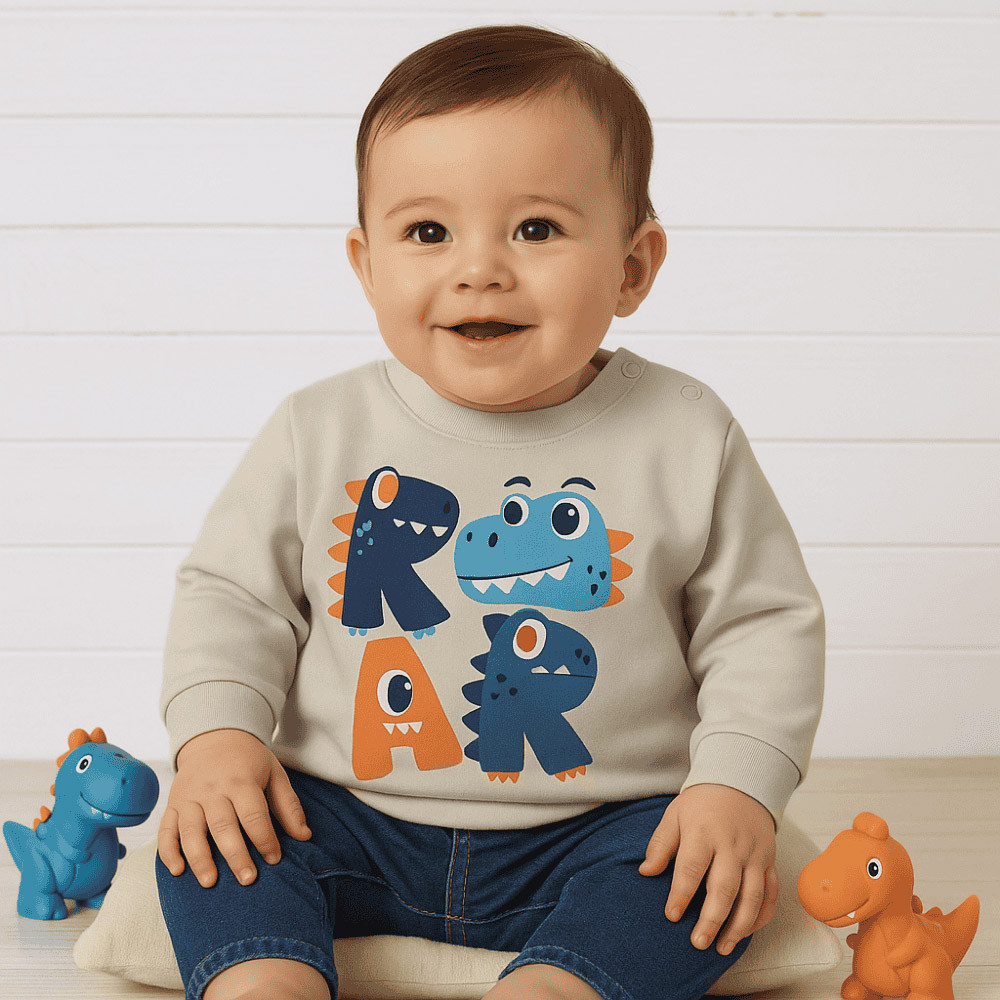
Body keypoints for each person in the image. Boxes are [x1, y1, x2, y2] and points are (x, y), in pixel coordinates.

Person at [154, 23, 825, 1000]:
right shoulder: (318, 428)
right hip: (345, 814)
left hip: (603, 826)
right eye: (429, 233)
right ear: (367, 264)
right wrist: (218, 739)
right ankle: (265, 980)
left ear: (632, 266)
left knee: (699, 880)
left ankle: (559, 984)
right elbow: (232, 597)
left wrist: (735, 786)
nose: (480, 269)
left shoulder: (685, 433)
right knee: (211, 838)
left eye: (536, 229)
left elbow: (761, 625)